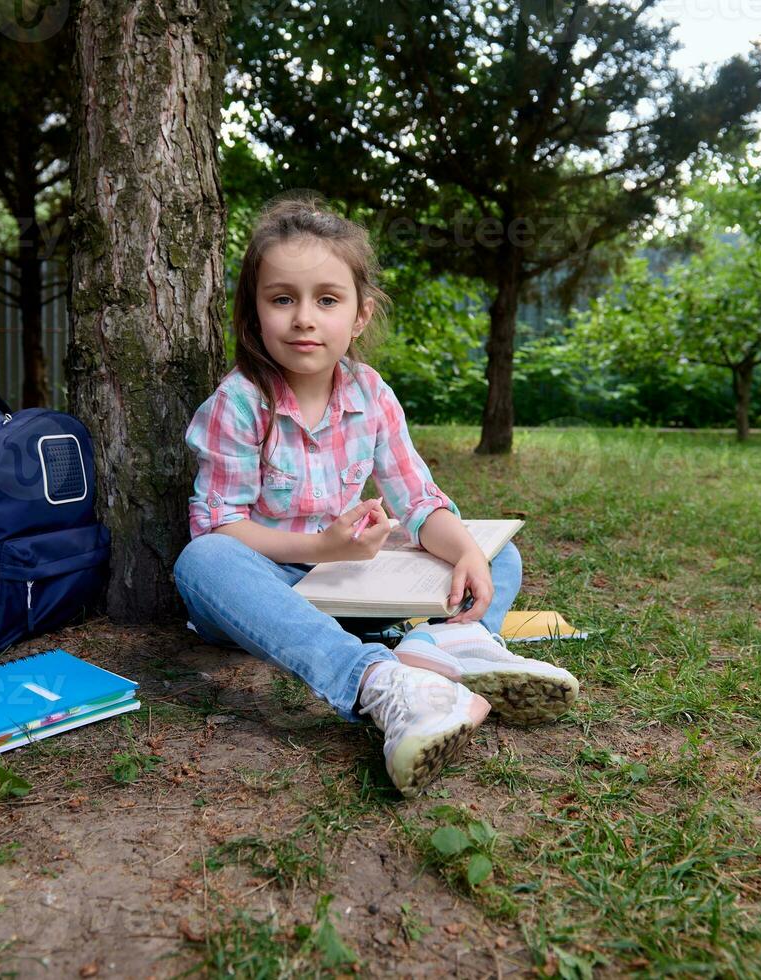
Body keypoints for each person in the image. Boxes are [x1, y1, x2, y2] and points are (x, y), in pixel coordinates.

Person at [172, 194, 580, 798]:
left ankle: (445, 646)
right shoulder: (239, 403)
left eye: (326, 300)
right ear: (254, 312)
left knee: (491, 552)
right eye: (282, 299)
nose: (304, 318)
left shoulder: (371, 392)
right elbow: (220, 525)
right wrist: (321, 545)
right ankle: (384, 685)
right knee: (200, 562)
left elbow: (417, 502)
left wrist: (462, 549)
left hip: (350, 586)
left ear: (359, 316)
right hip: (265, 588)